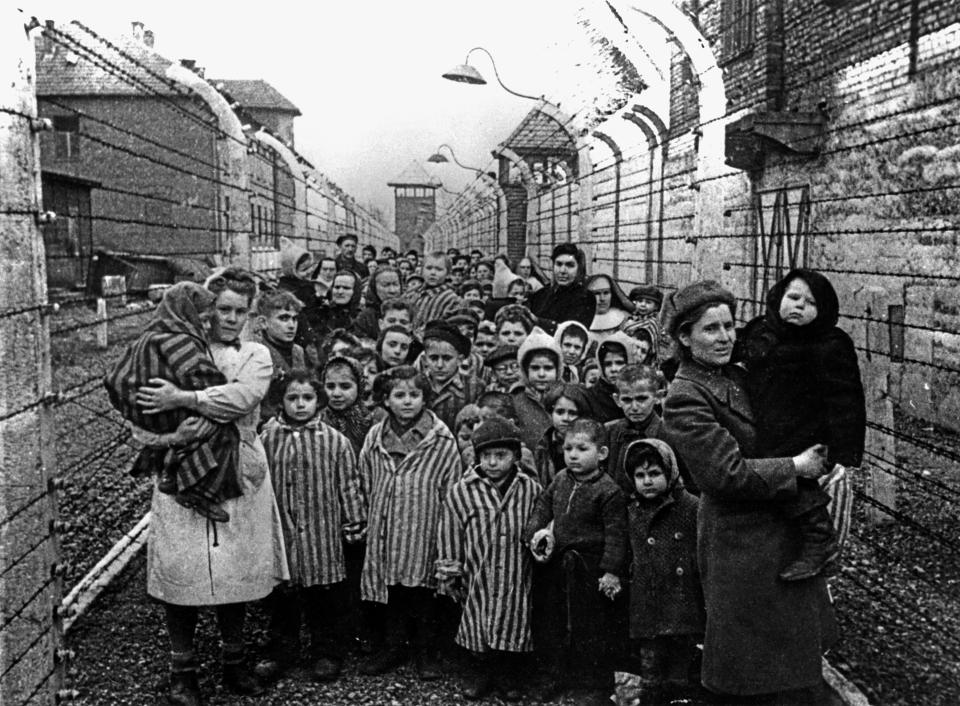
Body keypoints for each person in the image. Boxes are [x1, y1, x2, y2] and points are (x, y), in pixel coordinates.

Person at [660, 280, 837, 702]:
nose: (724, 338)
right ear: (685, 337)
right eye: (710, 329)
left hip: (777, 528)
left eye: (729, 326)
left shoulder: (737, 375)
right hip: (741, 542)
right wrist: (797, 466)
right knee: (753, 671)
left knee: (789, 662)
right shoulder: (685, 397)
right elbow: (725, 474)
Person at [132, 268, 289, 704]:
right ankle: (183, 672)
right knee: (183, 571)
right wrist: (171, 438)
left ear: (251, 315)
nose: (231, 318)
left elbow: (241, 397)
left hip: (239, 470)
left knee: (233, 569)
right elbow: (140, 419)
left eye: (241, 311)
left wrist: (183, 399)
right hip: (179, 470)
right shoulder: (174, 353)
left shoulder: (255, 354)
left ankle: (233, 662)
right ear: (206, 309)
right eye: (223, 309)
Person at [736, 269, 865, 580]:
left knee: (796, 477)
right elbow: (735, 351)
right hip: (766, 420)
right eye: (793, 297)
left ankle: (819, 541)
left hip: (806, 429)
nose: (798, 306)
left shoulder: (829, 343)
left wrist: (841, 448)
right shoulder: (762, 330)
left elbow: (845, 397)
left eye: (810, 303)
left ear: (824, 311)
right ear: (779, 297)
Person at [255, 370, 366, 683]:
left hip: (322, 535)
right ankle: (281, 649)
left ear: (318, 401)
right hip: (284, 534)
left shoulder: (335, 442)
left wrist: (354, 524)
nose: (300, 405)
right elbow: (260, 481)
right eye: (292, 398)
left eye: (307, 398)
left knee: (324, 600)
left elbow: (348, 485)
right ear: (281, 401)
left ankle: (326, 651)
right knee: (282, 599)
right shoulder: (268, 437)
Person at [104, 282, 238, 523]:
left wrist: (131, 403)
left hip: (142, 408)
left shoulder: (146, 336)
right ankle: (198, 490)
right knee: (222, 431)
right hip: (163, 407)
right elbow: (197, 373)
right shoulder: (179, 339)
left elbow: (115, 377)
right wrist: (220, 384)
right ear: (186, 313)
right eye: (203, 319)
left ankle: (168, 468)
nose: (206, 325)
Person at [359, 366, 462, 680]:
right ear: (386, 400)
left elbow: (452, 487)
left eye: (414, 395)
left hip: (423, 527)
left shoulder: (440, 440)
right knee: (391, 589)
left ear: (425, 398)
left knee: (421, 592)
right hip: (385, 527)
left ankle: (426, 652)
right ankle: (393, 646)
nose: (407, 402)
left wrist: (446, 536)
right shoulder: (376, 435)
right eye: (399, 395)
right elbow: (364, 477)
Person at [436, 416, 542, 701]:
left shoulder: (530, 489)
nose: (493, 462)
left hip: (515, 572)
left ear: (516, 456)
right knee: (477, 621)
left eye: (501, 455)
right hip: (477, 571)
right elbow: (450, 530)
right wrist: (450, 569)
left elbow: (540, 524)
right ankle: (480, 671)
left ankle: (507, 673)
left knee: (513, 621)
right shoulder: (463, 491)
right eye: (486, 456)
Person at [523, 418, 627, 706]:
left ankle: (591, 683)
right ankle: (553, 676)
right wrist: (533, 534)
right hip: (557, 564)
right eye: (568, 448)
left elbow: (617, 534)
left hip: (588, 568)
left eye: (582, 448)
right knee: (552, 622)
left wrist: (611, 571)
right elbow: (542, 506)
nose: (573, 455)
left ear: (602, 453)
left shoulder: (609, 491)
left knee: (590, 627)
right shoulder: (560, 479)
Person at [621, 438, 704, 705]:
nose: (647, 481)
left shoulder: (690, 506)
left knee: (681, 658)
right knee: (650, 660)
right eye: (640, 475)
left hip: (682, 598)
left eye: (655, 474)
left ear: (670, 472)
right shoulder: (631, 510)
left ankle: (679, 695)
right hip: (647, 599)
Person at [605, 364, 668, 494]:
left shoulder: (669, 433)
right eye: (627, 400)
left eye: (642, 398)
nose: (634, 407)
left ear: (658, 397)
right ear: (617, 400)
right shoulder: (609, 432)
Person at [253, 289, 306, 427]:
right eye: (283, 318)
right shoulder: (257, 352)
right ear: (264, 322)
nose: (291, 325)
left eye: (294, 319)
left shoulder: (297, 352)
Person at [421, 320, 483, 434]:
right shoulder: (418, 384)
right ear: (425, 360)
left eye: (447, 358)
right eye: (434, 358)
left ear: (459, 360)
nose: (440, 365)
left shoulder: (475, 388)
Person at [512, 327, 563, 451]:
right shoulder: (515, 399)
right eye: (535, 368)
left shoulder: (567, 397)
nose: (541, 374)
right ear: (525, 370)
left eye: (548, 368)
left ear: (558, 369)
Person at [527, 243, 596, 333]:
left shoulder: (585, 298)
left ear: (578, 269)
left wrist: (536, 321)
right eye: (559, 264)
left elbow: (572, 331)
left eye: (570, 265)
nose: (562, 271)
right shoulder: (540, 294)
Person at [533, 383, 593, 487]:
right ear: (551, 413)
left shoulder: (591, 444)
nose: (565, 418)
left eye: (572, 413)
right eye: (560, 412)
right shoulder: (542, 446)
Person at [319, 355, 374, 456]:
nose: (336, 393)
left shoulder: (370, 420)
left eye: (345, 387)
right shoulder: (318, 421)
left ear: (360, 387)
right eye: (330, 386)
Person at [588, 330, 639, 423]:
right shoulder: (591, 396)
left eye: (619, 363)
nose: (613, 369)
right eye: (608, 364)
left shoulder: (642, 392)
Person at [413, 251, 462, 336]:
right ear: (421, 271)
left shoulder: (451, 299)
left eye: (439, 269)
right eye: (429, 268)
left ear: (448, 274)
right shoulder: (413, 292)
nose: (433, 273)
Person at [355, 266, 403, 341]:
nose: (392, 290)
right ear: (374, 287)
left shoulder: (409, 312)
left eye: (395, 284)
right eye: (385, 285)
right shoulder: (365, 317)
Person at [586, 273, 634, 343]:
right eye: (596, 293)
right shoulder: (579, 318)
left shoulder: (624, 318)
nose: (602, 298)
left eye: (606, 293)